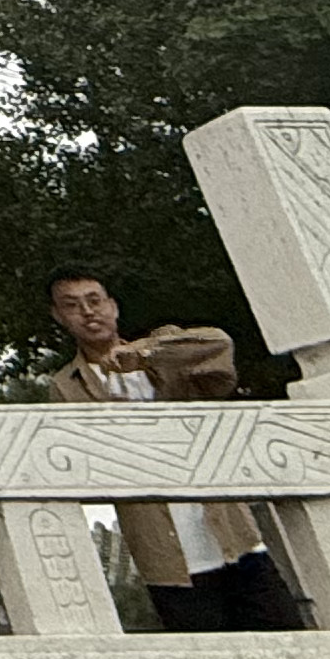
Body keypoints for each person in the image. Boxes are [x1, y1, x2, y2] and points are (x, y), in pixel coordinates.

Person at [46, 266, 308, 632]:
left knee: (288, 642)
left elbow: (219, 345)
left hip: (234, 535)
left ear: (113, 306)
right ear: (59, 316)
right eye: (73, 305)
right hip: (165, 557)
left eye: (95, 301)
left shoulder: (165, 349)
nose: (88, 312)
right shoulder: (66, 386)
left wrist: (144, 355)